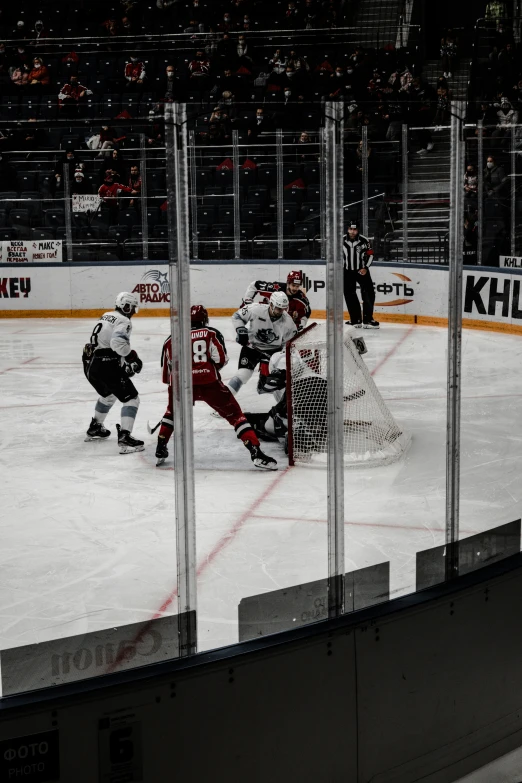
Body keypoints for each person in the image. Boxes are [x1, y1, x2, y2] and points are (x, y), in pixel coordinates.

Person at [156, 305, 277, 470]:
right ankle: (255, 452)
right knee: (236, 416)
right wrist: (205, 370)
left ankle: (160, 447)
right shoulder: (210, 333)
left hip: (180, 384)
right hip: (208, 383)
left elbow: (166, 374)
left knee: (172, 413)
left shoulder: (171, 339)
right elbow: (221, 359)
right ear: (204, 319)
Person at [82, 292, 144, 454]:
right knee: (131, 399)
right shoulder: (124, 320)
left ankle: (95, 426)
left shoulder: (106, 315)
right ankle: (125, 436)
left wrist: (121, 364)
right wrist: (132, 358)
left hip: (91, 363)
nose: (133, 312)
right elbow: (117, 343)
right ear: (126, 306)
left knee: (109, 394)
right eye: (132, 308)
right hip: (106, 364)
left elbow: (104, 342)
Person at [227, 292, 297, 397]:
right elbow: (237, 316)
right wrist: (241, 330)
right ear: (272, 305)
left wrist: (281, 354)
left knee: (277, 382)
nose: (281, 311)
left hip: (274, 351)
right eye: (278, 308)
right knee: (242, 375)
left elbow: (290, 343)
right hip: (252, 348)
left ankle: (282, 411)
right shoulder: (256, 309)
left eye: (283, 309)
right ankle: (224, 403)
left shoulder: (288, 322)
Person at [241, 270, 311, 330]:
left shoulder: (301, 298)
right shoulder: (275, 288)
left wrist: (302, 323)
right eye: (293, 285)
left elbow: (307, 311)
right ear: (288, 283)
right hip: (264, 319)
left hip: (282, 325)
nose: (295, 288)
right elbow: (254, 285)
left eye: (297, 286)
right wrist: (247, 302)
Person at [342, 221, 379, 328]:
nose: (352, 232)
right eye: (350, 229)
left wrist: (366, 268)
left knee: (368, 293)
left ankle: (368, 320)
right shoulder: (341, 240)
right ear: (347, 229)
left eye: (355, 229)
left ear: (358, 230)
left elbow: (371, 255)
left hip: (361, 271)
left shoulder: (364, 240)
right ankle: (355, 320)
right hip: (347, 271)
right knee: (349, 295)